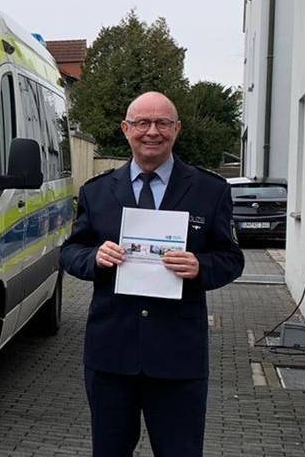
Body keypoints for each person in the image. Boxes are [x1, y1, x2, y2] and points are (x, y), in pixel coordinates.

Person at [61, 91, 243, 457]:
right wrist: (95, 257)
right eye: (142, 123)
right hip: (111, 355)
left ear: (176, 129)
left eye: (162, 123)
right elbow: (70, 252)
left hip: (177, 358)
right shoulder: (97, 192)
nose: (152, 132)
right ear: (126, 130)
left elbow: (230, 257)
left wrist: (200, 266)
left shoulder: (210, 190)